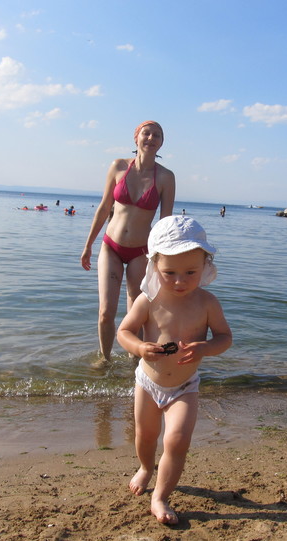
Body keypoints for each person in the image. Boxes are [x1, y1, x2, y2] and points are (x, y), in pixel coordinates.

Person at [117, 215, 232, 524]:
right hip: (148, 382)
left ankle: (160, 496)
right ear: (155, 265)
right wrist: (140, 348)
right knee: (145, 435)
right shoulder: (148, 300)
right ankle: (145, 467)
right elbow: (123, 332)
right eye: (170, 273)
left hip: (184, 386)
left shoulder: (207, 303)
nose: (180, 281)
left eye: (190, 272)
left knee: (177, 440)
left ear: (205, 265)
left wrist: (206, 347)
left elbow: (225, 338)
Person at [81, 121, 175, 364]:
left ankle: (136, 363)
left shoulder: (166, 177)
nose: (151, 138)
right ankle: (105, 360)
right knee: (106, 312)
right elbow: (104, 208)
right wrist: (88, 245)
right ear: (136, 138)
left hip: (141, 252)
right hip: (111, 246)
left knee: (136, 314)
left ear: (161, 142)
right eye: (146, 133)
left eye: (157, 135)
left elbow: (165, 222)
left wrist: (164, 260)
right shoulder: (118, 167)